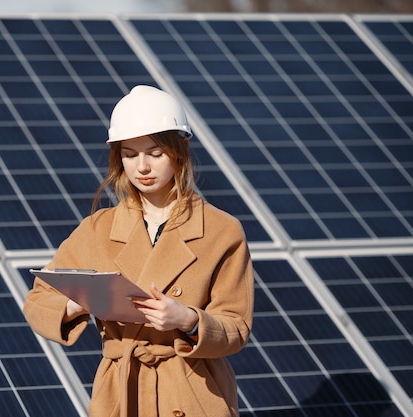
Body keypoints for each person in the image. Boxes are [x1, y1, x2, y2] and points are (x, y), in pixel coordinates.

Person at [23, 85, 253, 417]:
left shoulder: (222, 230)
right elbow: (38, 301)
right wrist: (78, 302)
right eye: (129, 154)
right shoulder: (98, 228)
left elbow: (236, 328)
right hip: (121, 392)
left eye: (155, 153)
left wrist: (186, 319)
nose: (142, 166)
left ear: (180, 149)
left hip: (191, 391)